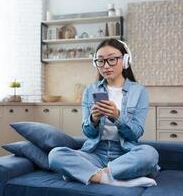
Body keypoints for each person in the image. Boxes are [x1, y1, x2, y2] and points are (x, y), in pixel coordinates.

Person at [48, 38, 160, 187]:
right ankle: (112, 178)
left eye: (112, 59)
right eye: (100, 61)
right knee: (55, 155)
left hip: (124, 154)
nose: (106, 66)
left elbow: (136, 133)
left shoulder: (139, 91)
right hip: (95, 153)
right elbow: (88, 133)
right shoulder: (90, 90)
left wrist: (117, 117)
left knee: (150, 154)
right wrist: (93, 119)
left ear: (125, 60)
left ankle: (91, 174)